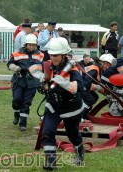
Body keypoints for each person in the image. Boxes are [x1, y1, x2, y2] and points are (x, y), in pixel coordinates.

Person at [32, 37, 86, 169]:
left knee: (72, 134)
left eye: (56, 55)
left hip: (71, 107)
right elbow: (37, 74)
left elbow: (79, 87)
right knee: (47, 132)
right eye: (51, 55)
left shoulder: (72, 70)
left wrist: (65, 84)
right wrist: (42, 83)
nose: (53, 58)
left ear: (63, 55)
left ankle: (80, 152)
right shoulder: (48, 66)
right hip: (53, 106)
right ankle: (50, 161)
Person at [7, 34, 44, 131]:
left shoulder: (40, 55)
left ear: (36, 45)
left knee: (26, 102)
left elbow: (43, 67)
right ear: (26, 44)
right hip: (19, 80)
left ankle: (23, 123)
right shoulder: (18, 53)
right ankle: (16, 114)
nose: (31, 47)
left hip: (32, 82)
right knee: (16, 100)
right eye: (29, 45)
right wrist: (14, 67)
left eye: (33, 45)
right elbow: (10, 63)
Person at [80, 54, 117, 119]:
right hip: (81, 87)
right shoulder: (95, 69)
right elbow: (87, 81)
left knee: (95, 97)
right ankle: (79, 117)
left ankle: (85, 115)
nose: (108, 67)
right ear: (103, 63)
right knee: (90, 100)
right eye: (107, 65)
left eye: (109, 66)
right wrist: (94, 87)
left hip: (83, 86)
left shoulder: (98, 69)